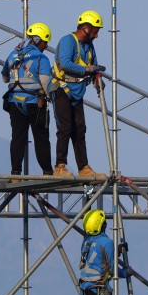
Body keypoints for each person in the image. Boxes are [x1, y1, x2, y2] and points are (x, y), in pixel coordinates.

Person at [52, 10, 107, 178]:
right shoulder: (68, 41)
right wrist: (86, 69)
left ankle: (83, 167)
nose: (97, 35)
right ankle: (60, 167)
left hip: (77, 91)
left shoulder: (89, 46)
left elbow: (94, 65)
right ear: (85, 28)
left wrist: (97, 77)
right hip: (62, 89)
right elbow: (65, 63)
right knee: (65, 127)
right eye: (95, 31)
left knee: (80, 129)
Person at [2, 22, 54, 177]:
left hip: (14, 102)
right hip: (35, 103)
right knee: (41, 137)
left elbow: (5, 77)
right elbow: (45, 82)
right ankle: (47, 171)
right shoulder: (41, 57)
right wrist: (52, 97)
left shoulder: (13, 55)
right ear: (40, 40)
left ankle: (15, 173)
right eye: (45, 42)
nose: (46, 46)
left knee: (18, 137)